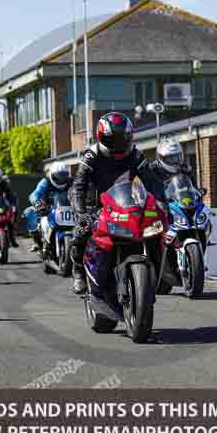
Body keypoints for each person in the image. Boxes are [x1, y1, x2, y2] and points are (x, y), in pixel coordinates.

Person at [69, 112, 163, 295]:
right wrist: (81, 212)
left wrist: (160, 202)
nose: (119, 144)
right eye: (114, 140)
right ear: (102, 138)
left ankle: (156, 275)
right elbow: (78, 186)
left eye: (123, 139)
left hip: (130, 204)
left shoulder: (136, 155)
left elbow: (152, 182)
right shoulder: (91, 156)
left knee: (157, 231)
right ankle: (79, 271)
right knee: (80, 233)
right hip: (97, 207)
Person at [28, 161, 72, 254]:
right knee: (31, 214)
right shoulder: (45, 182)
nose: (61, 179)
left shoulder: (71, 182)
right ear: (52, 175)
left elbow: (80, 192)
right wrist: (37, 203)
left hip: (69, 210)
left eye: (64, 176)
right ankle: (38, 242)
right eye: (58, 176)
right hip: (48, 209)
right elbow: (35, 194)